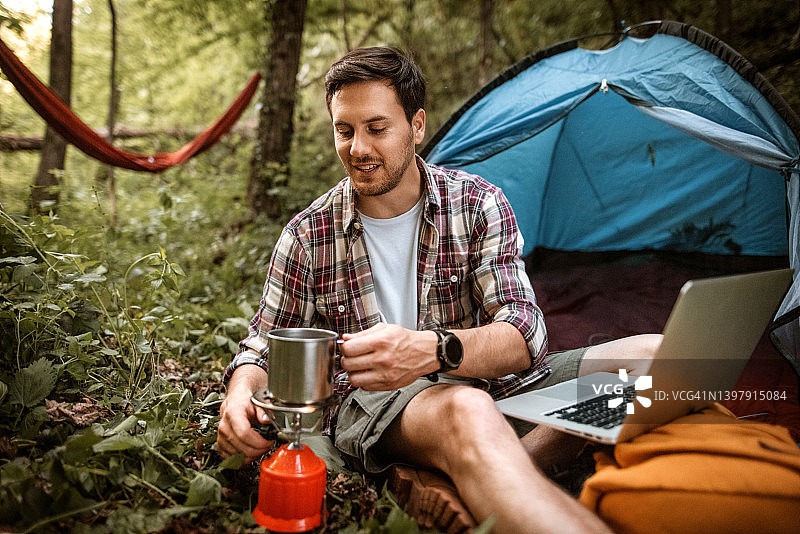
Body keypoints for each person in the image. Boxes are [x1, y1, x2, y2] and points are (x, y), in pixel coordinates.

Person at [217, 46, 660, 533]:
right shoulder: (307, 235)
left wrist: (433, 350)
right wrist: (240, 393)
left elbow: (525, 336)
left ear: (418, 126)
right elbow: (262, 345)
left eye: (377, 128)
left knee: (662, 357)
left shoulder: (476, 203)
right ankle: (502, 470)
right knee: (464, 408)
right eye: (345, 131)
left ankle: (514, 461)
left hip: (494, 387)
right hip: (377, 403)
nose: (358, 148)